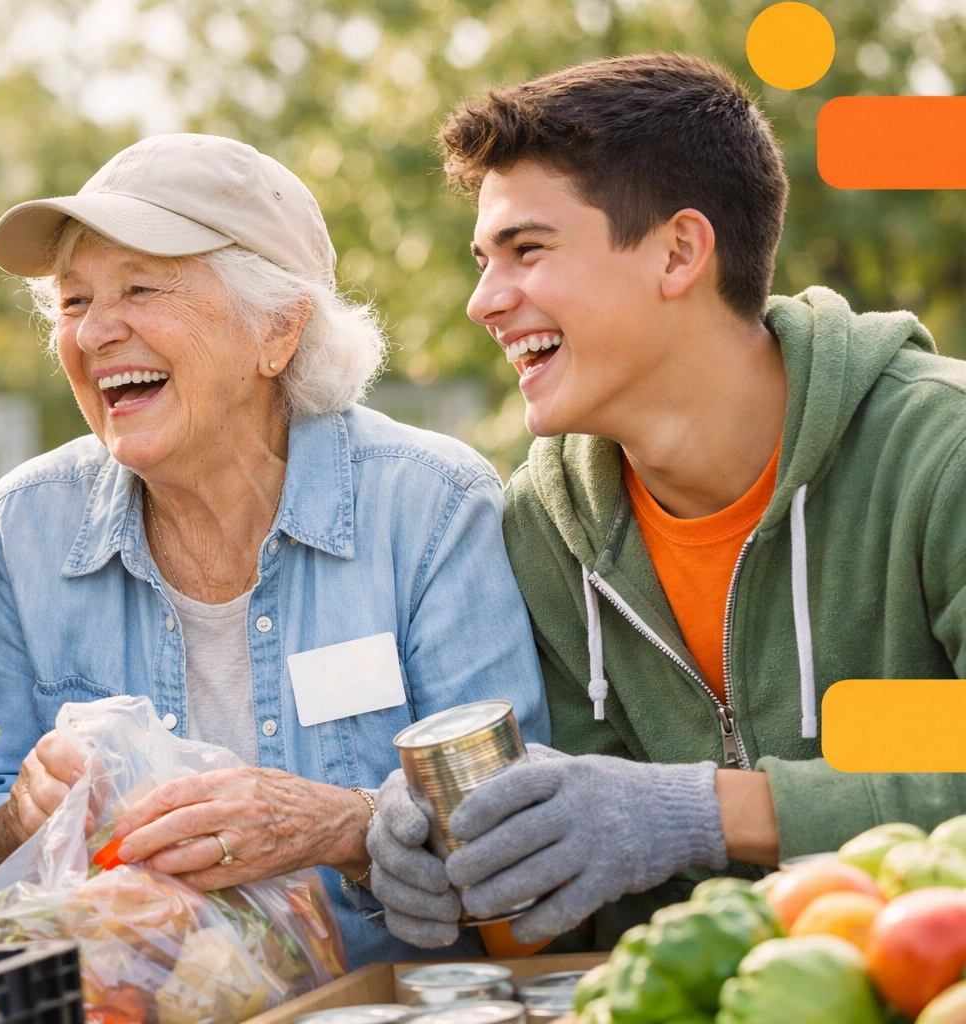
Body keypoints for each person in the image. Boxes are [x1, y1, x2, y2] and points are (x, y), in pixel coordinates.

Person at [368, 53, 966, 952]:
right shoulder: (545, 527)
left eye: (528, 250)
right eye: (484, 260)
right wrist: (455, 851)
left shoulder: (942, 457)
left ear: (679, 252)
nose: (482, 302)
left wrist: (709, 811)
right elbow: (589, 897)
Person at [0, 133, 550, 967]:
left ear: (279, 329)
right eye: (74, 301)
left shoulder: (429, 505)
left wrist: (341, 828)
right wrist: (22, 816)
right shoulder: (25, 528)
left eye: (140, 288)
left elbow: (516, 848)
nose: (95, 332)